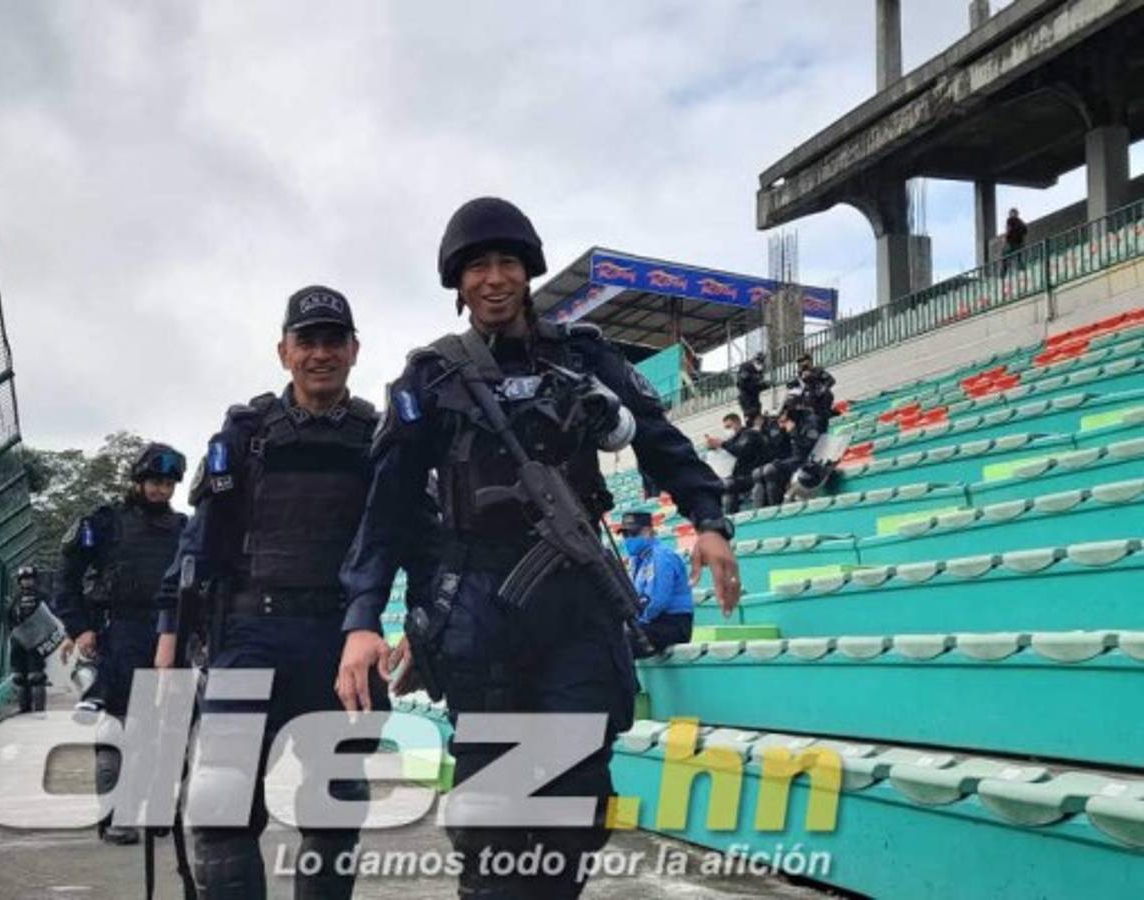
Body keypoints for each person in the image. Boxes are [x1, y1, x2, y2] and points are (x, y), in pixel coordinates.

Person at [335, 196, 741, 899]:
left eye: (507, 263)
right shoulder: (428, 377)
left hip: (578, 605)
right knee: (494, 814)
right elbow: (389, 506)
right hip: (478, 606)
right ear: (457, 284)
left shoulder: (584, 357)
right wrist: (362, 617)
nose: (493, 279)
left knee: (573, 803)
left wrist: (709, 519)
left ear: (528, 272)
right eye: (478, 267)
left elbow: (661, 442)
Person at [153, 285, 422, 899]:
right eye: (307, 342)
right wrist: (170, 629)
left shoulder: (380, 440)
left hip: (342, 643)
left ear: (355, 350)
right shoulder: (246, 435)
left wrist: (427, 619)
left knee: (334, 811)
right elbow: (199, 540)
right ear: (284, 352)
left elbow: (419, 535)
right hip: (247, 636)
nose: (320, 354)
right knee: (222, 809)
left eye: (334, 341)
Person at [55, 442, 187, 845]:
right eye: (154, 482)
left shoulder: (184, 528)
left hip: (172, 633)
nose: (161, 491)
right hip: (122, 633)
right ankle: (117, 815)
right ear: (138, 479)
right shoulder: (107, 523)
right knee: (121, 727)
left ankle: (160, 811)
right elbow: (67, 576)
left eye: (168, 484)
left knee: (170, 729)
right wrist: (80, 628)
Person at [619, 511, 694, 656]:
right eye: (625, 535)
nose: (628, 539)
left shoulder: (661, 557)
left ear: (647, 532)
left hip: (671, 624)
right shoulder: (637, 559)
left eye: (633, 534)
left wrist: (635, 623)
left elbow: (656, 601)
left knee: (618, 644)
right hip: (651, 623)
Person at [751, 393, 822, 508]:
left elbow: (808, 446)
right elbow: (776, 447)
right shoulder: (785, 422)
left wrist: (793, 432)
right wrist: (777, 430)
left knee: (770, 470)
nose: (785, 414)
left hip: (807, 459)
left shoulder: (811, 420)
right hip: (790, 458)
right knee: (757, 473)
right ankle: (759, 512)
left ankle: (775, 508)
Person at [5, 565, 50, 713]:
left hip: (31, 640)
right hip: (24, 641)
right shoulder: (18, 598)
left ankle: (34, 708)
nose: (27, 582)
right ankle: (27, 708)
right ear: (19, 581)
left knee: (33, 676)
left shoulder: (36, 597)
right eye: (24, 579)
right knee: (22, 676)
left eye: (29, 579)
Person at [705, 412, 770, 514]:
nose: (727, 430)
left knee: (729, 484)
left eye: (729, 426)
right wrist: (713, 447)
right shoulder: (733, 439)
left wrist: (722, 444)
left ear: (738, 423)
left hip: (755, 474)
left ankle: (730, 516)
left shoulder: (750, 434)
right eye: (725, 427)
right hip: (739, 476)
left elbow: (741, 451)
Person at [796, 352, 836, 423]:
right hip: (809, 405)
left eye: (803, 360)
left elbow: (831, 380)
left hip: (821, 400)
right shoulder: (799, 376)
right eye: (800, 362)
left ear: (809, 361)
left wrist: (821, 389)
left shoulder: (817, 371)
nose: (802, 363)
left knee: (825, 415)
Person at [734, 352, 769, 419]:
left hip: (754, 399)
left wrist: (764, 385)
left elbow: (756, 386)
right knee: (751, 416)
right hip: (747, 399)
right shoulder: (746, 367)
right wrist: (757, 382)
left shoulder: (758, 370)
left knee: (756, 415)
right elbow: (743, 383)